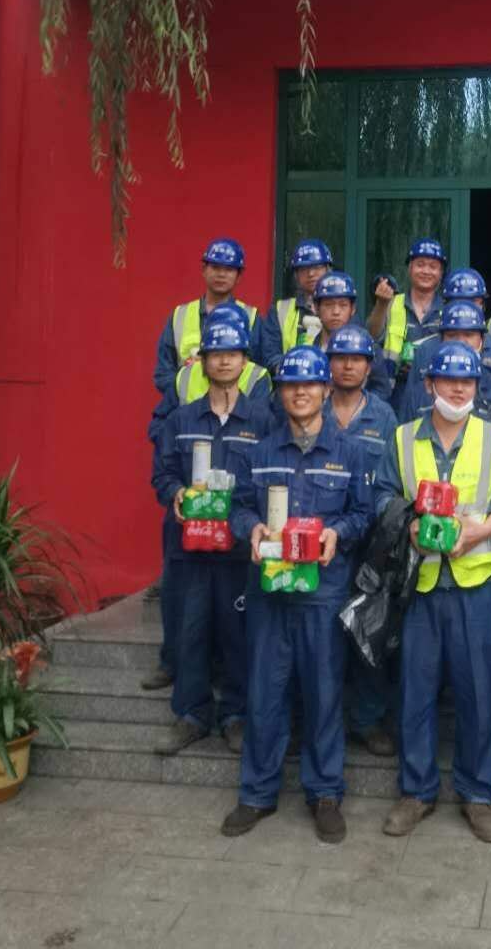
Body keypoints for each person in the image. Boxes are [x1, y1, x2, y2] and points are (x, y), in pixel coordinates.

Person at [222, 346, 374, 844]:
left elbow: (363, 513)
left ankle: (325, 793)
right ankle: (256, 793)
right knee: (264, 694)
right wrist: (251, 526)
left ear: (326, 390)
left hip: (322, 596)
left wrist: (337, 533)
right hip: (270, 595)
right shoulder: (260, 453)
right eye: (291, 385)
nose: (301, 392)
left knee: (324, 694)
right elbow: (238, 507)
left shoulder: (349, 452)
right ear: (281, 394)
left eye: (309, 384)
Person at [374, 342, 491, 844]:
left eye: (468, 381)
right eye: (449, 379)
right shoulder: (401, 438)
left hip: (475, 585)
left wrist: (481, 532)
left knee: (477, 693)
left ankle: (478, 794)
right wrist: (409, 524)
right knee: (415, 692)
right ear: (429, 383)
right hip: (420, 584)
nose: (459, 389)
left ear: (478, 386)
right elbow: (382, 496)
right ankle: (416, 791)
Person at [151, 319, 273, 756]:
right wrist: (176, 492)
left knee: (238, 634)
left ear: (244, 362)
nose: (224, 361)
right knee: (191, 632)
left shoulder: (264, 420)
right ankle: (191, 714)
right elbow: (162, 473)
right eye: (216, 354)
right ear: (202, 362)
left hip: (239, 552)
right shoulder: (182, 419)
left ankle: (236, 716)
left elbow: (271, 478)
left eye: (232, 354)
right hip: (191, 550)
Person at [324, 324, 399, 758]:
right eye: (340, 358)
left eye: (357, 359)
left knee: (369, 633)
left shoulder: (384, 416)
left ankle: (369, 719)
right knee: (324, 637)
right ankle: (326, 718)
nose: (348, 366)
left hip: (372, 545)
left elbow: (392, 480)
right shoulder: (313, 407)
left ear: (369, 367)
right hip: (324, 546)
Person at [397, 301, 491, 456]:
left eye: (469, 335)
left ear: (482, 339)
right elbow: (406, 429)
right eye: (452, 335)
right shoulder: (426, 376)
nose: (461, 341)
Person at [154, 237, 258, 395]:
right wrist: (189, 390)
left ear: (239, 276)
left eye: (229, 269)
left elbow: (256, 372)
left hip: (236, 407)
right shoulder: (179, 315)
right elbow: (163, 374)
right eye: (215, 267)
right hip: (186, 406)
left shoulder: (251, 317)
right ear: (204, 269)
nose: (221, 274)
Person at [366, 237, 447, 374]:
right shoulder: (391, 303)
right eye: (420, 265)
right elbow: (371, 336)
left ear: (441, 273)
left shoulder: (448, 309)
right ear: (410, 268)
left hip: (435, 383)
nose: (426, 271)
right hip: (395, 384)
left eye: (433, 267)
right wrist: (381, 304)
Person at [310, 272, 392, 400]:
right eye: (328, 305)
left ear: (352, 309)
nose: (336, 312)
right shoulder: (309, 348)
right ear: (316, 308)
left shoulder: (367, 346)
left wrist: (357, 405)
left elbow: (382, 390)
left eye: (343, 305)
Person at [258, 238, 334, 371]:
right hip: (290, 380)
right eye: (304, 268)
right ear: (296, 275)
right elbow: (270, 357)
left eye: (317, 267)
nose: (311, 274)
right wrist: (297, 368)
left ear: (328, 269)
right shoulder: (280, 310)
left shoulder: (342, 307)